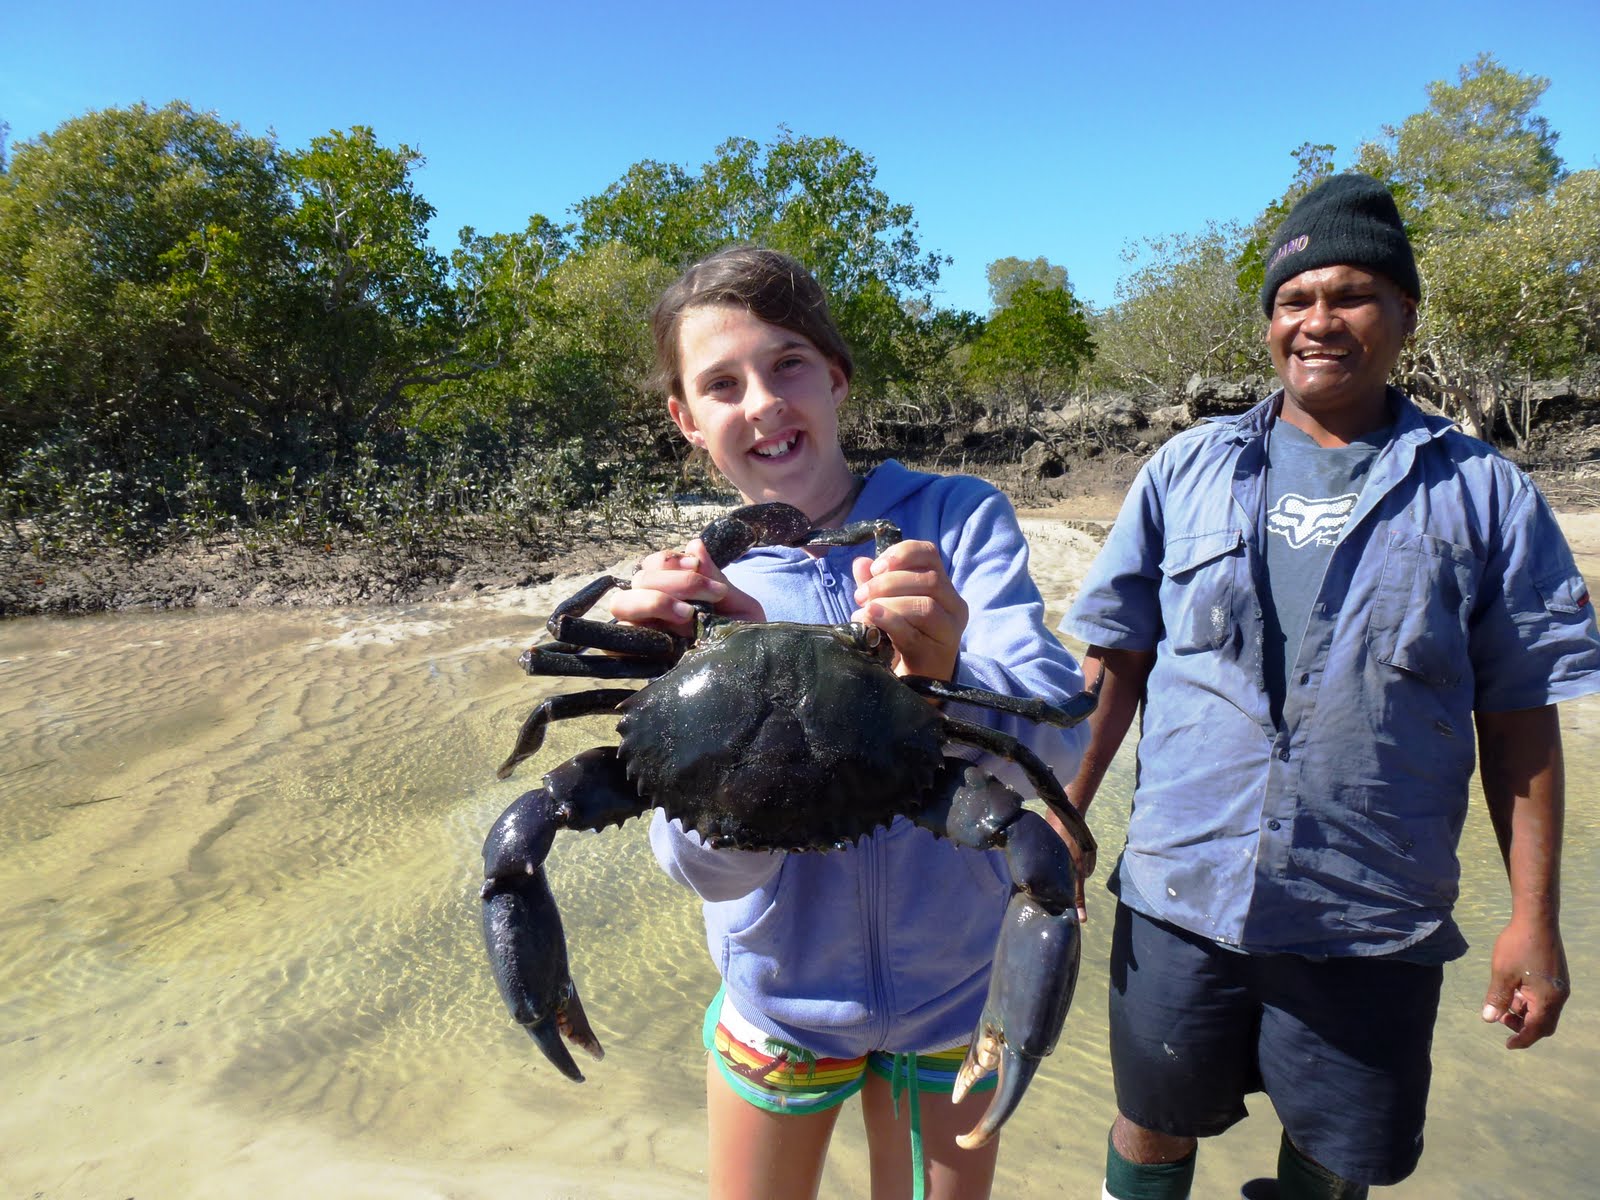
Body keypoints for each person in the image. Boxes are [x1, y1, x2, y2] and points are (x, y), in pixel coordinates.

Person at [1059, 173, 1600, 1200]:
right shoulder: (1185, 470)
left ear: (1403, 314)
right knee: (1150, 1122)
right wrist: (1062, 819)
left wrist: (1534, 920)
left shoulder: (1485, 494)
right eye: (1293, 300)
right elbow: (1114, 662)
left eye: (1348, 295)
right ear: (1268, 323)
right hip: (1182, 891)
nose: (1318, 321)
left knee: (1333, 1155)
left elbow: (1521, 718)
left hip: (1370, 910)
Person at [605, 245, 1092, 1200]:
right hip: (777, 999)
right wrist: (725, 715)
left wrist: (941, 674)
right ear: (687, 422)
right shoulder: (695, 595)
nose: (763, 402)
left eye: (788, 364)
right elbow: (695, 864)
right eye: (721, 384)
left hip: (956, 991)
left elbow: (1058, 737)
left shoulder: (953, 523)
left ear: (834, 376)